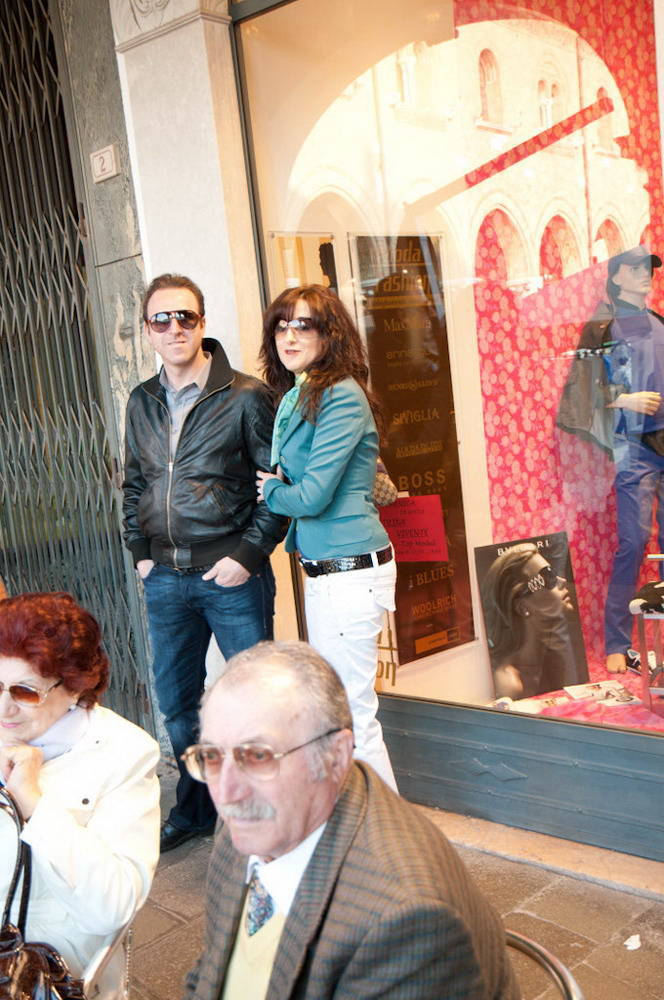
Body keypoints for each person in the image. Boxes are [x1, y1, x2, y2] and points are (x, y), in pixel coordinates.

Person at [182, 640, 519, 1000]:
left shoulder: (403, 925)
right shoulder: (252, 821)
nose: (226, 793)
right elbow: (212, 970)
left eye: (259, 756)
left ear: (335, 756)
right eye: (211, 756)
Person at [123, 273, 287, 852]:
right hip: (165, 577)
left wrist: (248, 555)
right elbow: (134, 483)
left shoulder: (245, 396)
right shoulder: (141, 400)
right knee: (177, 706)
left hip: (230, 576)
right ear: (147, 330)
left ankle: (266, 814)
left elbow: (276, 487)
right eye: (161, 319)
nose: (174, 328)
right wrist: (141, 554)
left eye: (185, 317)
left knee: (254, 703)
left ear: (202, 324)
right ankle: (196, 809)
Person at [256, 285, 397, 790]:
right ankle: (365, 822)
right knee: (342, 710)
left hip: (349, 571)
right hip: (329, 571)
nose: (290, 336)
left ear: (329, 334)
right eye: (282, 326)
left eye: (304, 325)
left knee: (352, 714)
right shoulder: (302, 393)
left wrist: (272, 491)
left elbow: (313, 495)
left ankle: (388, 830)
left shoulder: (340, 394)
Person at [0, 591, 160, 1000]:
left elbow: (113, 907)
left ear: (73, 688)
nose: (4, 708)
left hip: (46, 971)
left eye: (24, 692)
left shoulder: (124, 752)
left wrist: (35, 804)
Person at [557, 246, 664, 673]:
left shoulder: (659, 322)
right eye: (635, 269)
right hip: (634, 449)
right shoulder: (602, 326)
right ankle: (617, 641)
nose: (645, 275)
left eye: (648, 269)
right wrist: (623, 398)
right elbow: (581, 388)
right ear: (616, 277)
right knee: (633, 543)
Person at [480, 544, 582, 699]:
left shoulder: (554, 657)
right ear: (523, 607)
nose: (562, 581)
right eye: (548, 576)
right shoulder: (511, 684)